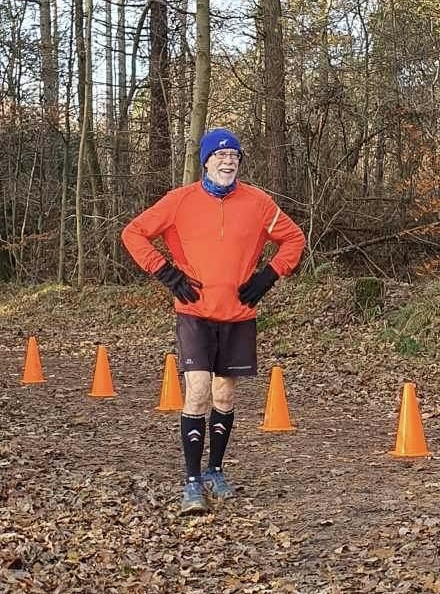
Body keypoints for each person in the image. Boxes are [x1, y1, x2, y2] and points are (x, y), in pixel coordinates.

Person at [121, 128, 306, 515]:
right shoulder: (180, 201)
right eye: (220, 155)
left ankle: (215, 471)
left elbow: (294, 239)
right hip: (195, 312)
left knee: (224, 396)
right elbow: (133, 233)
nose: (228, 161)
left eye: (234, 156)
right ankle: (192, 483)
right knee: (198, 391)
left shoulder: (258, 203)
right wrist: (166, 273)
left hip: (238, 313)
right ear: (205, 161)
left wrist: (268, 276)